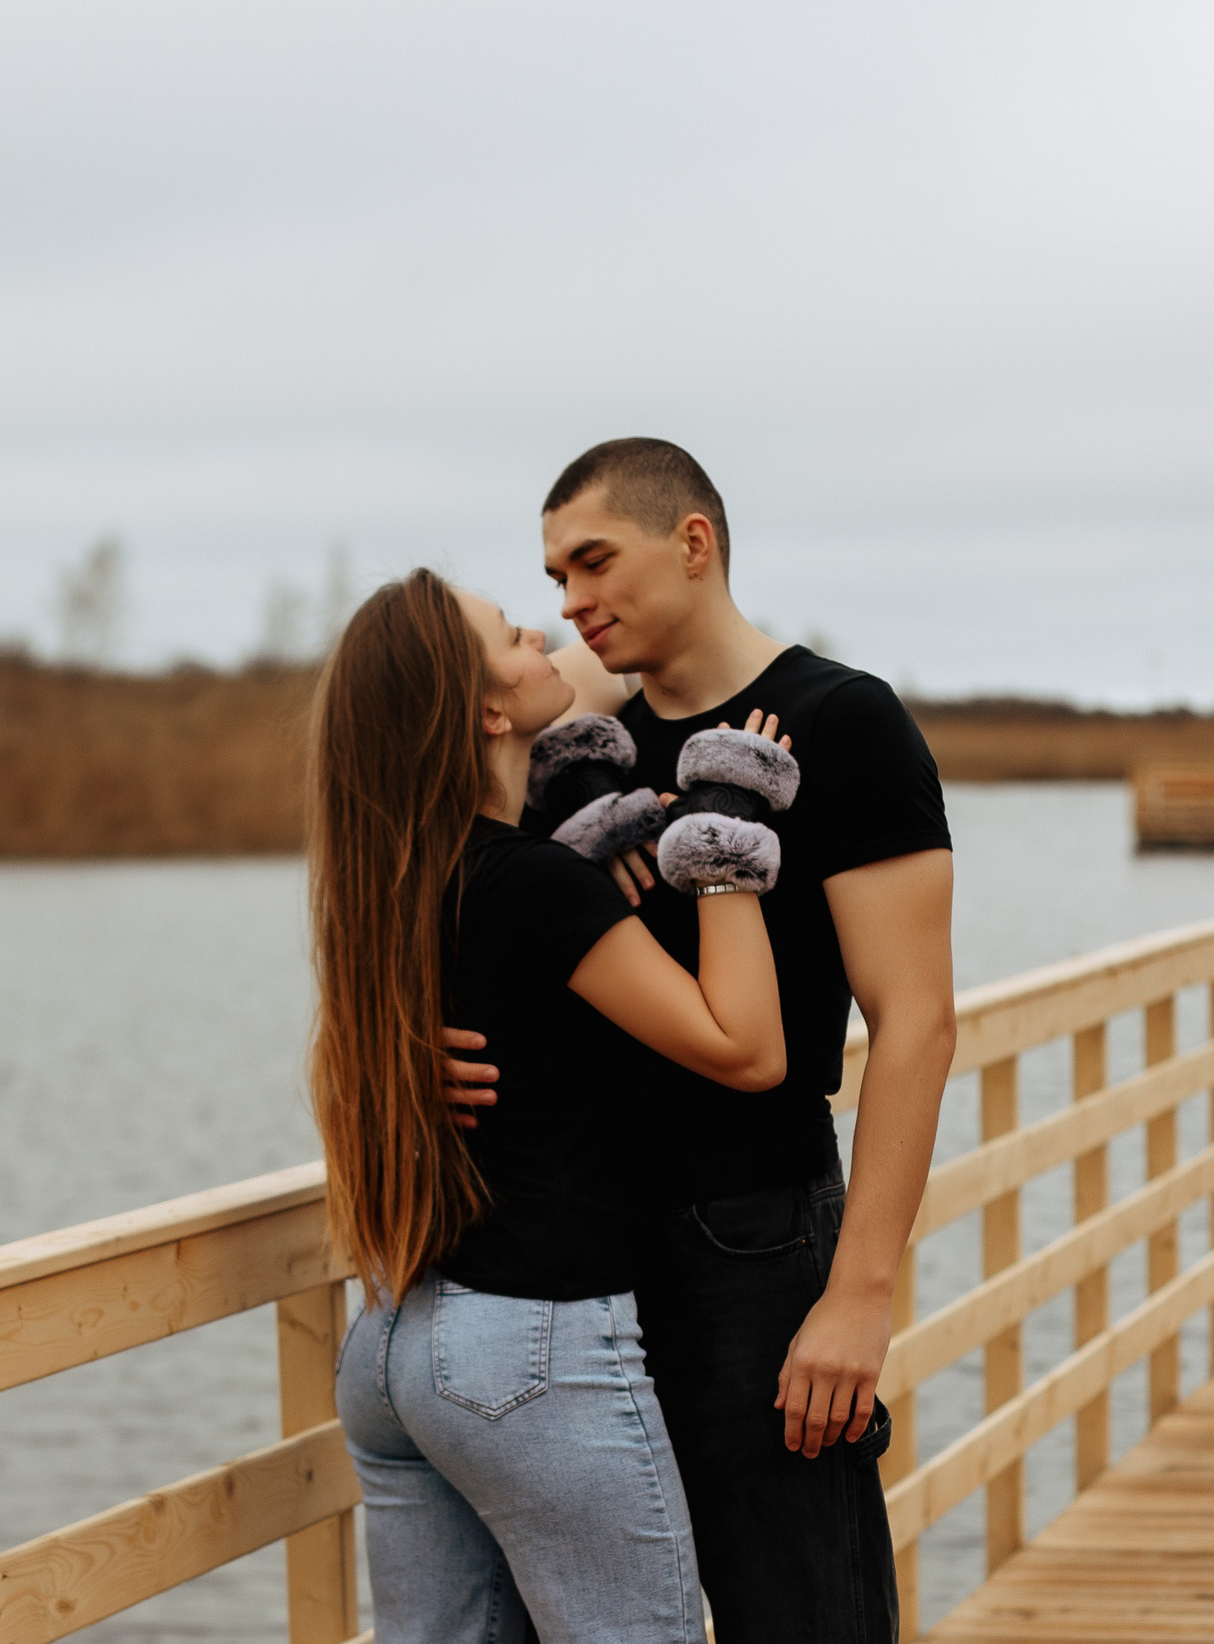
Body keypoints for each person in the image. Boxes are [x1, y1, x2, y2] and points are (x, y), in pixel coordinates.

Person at [446, 439, 957, 1643]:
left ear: (693, 543)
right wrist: (406, 1038)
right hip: (561, 1267)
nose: (568, 601)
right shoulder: (550, 736)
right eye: (552, 576)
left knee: (800, 1605)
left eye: (593, 561)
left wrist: (860, 1291)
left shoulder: (843, 722)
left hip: (751, 1239)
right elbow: (430, 884)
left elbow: (917, 1024)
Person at [309, 567, 800, 1644]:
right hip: (531, 1347)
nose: (544, 634)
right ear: (487, 711)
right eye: (513, 634)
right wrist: (722, 836)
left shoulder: (399, 876)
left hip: (398, 1343)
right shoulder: (534, 883)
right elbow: (747, 1048)